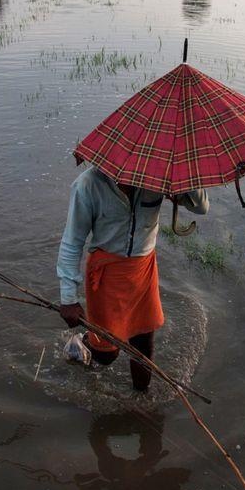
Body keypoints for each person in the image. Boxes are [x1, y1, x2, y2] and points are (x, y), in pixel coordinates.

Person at [56, 164, 208, 391]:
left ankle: (141, 398)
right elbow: (72, 242)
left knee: (143, 345)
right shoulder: (88, 184)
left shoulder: (159, 174)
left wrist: (184, 174)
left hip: (143, 269)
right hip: (107, 274)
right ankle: (83, 342)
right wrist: (68, 298)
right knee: (106, 354)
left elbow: (201, 207)